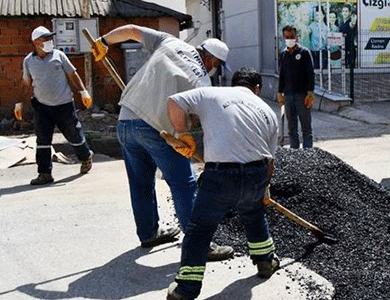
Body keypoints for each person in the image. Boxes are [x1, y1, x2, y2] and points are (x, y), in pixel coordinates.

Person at [90, 25, 233, 260]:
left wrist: (103, 41)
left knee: (140, 183)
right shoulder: (203, 82)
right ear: (209, 58)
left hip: (126, 121)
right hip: (157, 130)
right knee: (184, 183)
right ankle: (199, 245)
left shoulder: (170, 42)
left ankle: (148, 234)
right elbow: (193, 118)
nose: (214, 69)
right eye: (216, 64)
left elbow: (132, 30)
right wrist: (185, 136)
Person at [166, 67, 280, 300]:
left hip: (220, 176)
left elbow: (174, 102)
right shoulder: (268, 111)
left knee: (200, 230)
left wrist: (182, 133)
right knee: (255, 214)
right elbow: (270, 161)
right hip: (255, 173)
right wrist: (263, 189)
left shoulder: (212, 94)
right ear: (257, 89)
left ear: (233, 83)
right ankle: (266, 262)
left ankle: (185, 290)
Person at [22, 26, 94, 185]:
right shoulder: (28, 61)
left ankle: (85, 156)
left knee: (73, 135)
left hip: (64, 104)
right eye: (45, 39)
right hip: (41, 106)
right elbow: (27, 84)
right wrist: (20, 103)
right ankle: (44, 173)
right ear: (36, 42)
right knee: (42, 141)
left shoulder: (59, 56)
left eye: (50, 38)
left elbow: (72, 74)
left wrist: (83, 91)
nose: (49, 41)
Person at [278, 25, 315, 149]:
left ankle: (307, 153)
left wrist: (310, 92)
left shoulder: (304, 53)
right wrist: (280, 92)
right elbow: (282, 75)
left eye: (291, 37)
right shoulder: (283, 55)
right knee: (291, 128)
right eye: (287, 37)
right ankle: (294, 155)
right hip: (288, 96)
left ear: (296, 37)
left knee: (306, 127)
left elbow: (310, 73)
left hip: (302, 95)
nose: (289, 39)